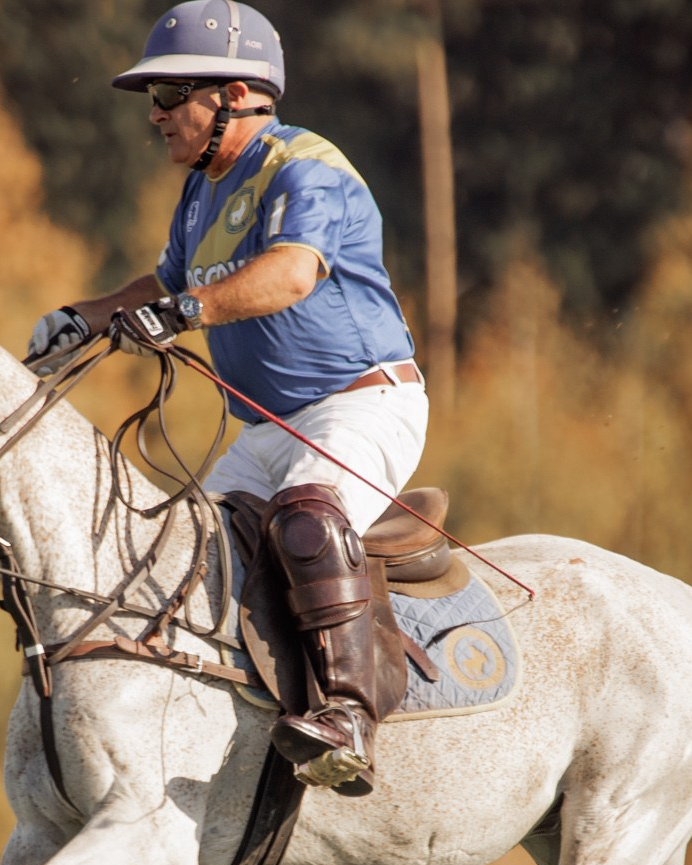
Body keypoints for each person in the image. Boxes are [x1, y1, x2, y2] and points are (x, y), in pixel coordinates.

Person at [25, 0, 425, 796]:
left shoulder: (305, 164)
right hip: (266, 428)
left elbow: (292, 272)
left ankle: (348, 716)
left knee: (308, 518)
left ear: (237, 95)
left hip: (361, 404)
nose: (156, 115)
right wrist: (86, 316)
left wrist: (186, 312)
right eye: (154, 98)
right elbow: (164, 283)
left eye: (170, 95)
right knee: (178, 557)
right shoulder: (201, 192)